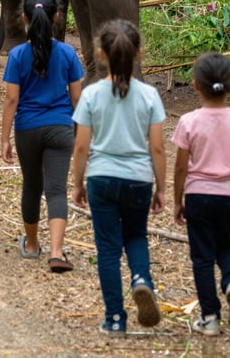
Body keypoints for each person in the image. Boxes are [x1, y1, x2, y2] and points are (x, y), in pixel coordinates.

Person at [72, 20, 166, 337]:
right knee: (136, 237)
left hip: (101, 177)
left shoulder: (91, 95)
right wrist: (161, 188)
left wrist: (78, 182)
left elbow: (82, 145)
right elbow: (157, 148)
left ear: (101, 54)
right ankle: (141, 280)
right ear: (138, 54)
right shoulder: (150, 95)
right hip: (139, 178)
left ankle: (114, 318)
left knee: (108, 249)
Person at [1, 0, 84, 273]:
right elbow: (76, 98)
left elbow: (12, 99)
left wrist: (4, 139)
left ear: (24, 17)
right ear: (57, 17)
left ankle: (33, 245)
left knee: (32, 186)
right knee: (57, 189)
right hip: (61, 128)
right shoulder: (68, 53)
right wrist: (82, 132)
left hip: (27, 129)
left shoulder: (16, 55)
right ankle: (57, 251)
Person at [171, 52, 230, 336]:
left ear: (195, 85)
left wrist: (177, 200)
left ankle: (210, 316)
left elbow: (181, 168)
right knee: (227, 246)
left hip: (198, 196)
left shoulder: (189, 122)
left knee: (202, 257)